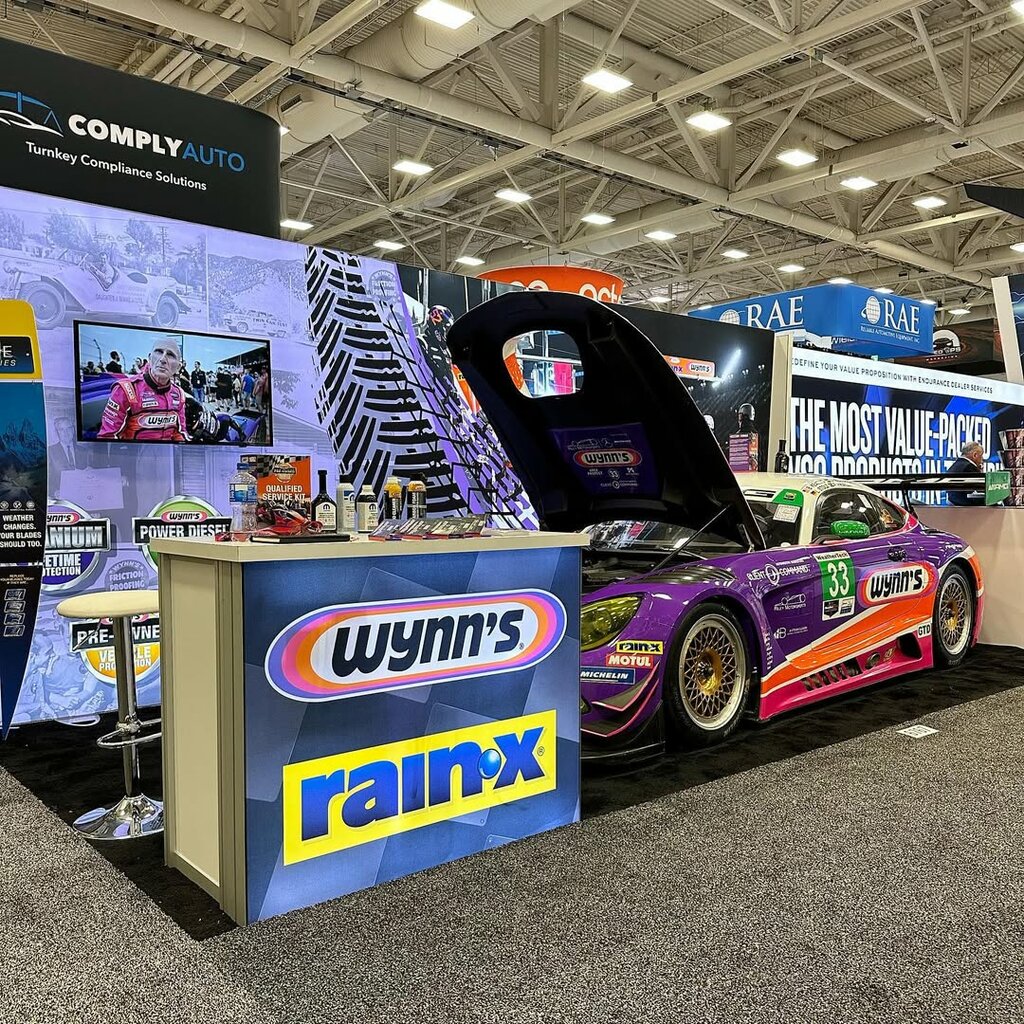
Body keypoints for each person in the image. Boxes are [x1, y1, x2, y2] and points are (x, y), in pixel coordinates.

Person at [97, 335, 188, 441]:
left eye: (170, 355)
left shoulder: (179, 394)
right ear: (149, 358)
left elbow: (180, 433)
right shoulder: (126, 389)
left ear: (178, 367)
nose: (162, 359)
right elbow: (107, 437)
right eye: (159, 352)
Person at [946, 441, 985, 506]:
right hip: (967, 508)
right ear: (975, 455)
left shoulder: (955, 465)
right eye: (981, 456)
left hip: (953, 506)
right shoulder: (969, 467)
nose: (982, 459)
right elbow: (978, 494)